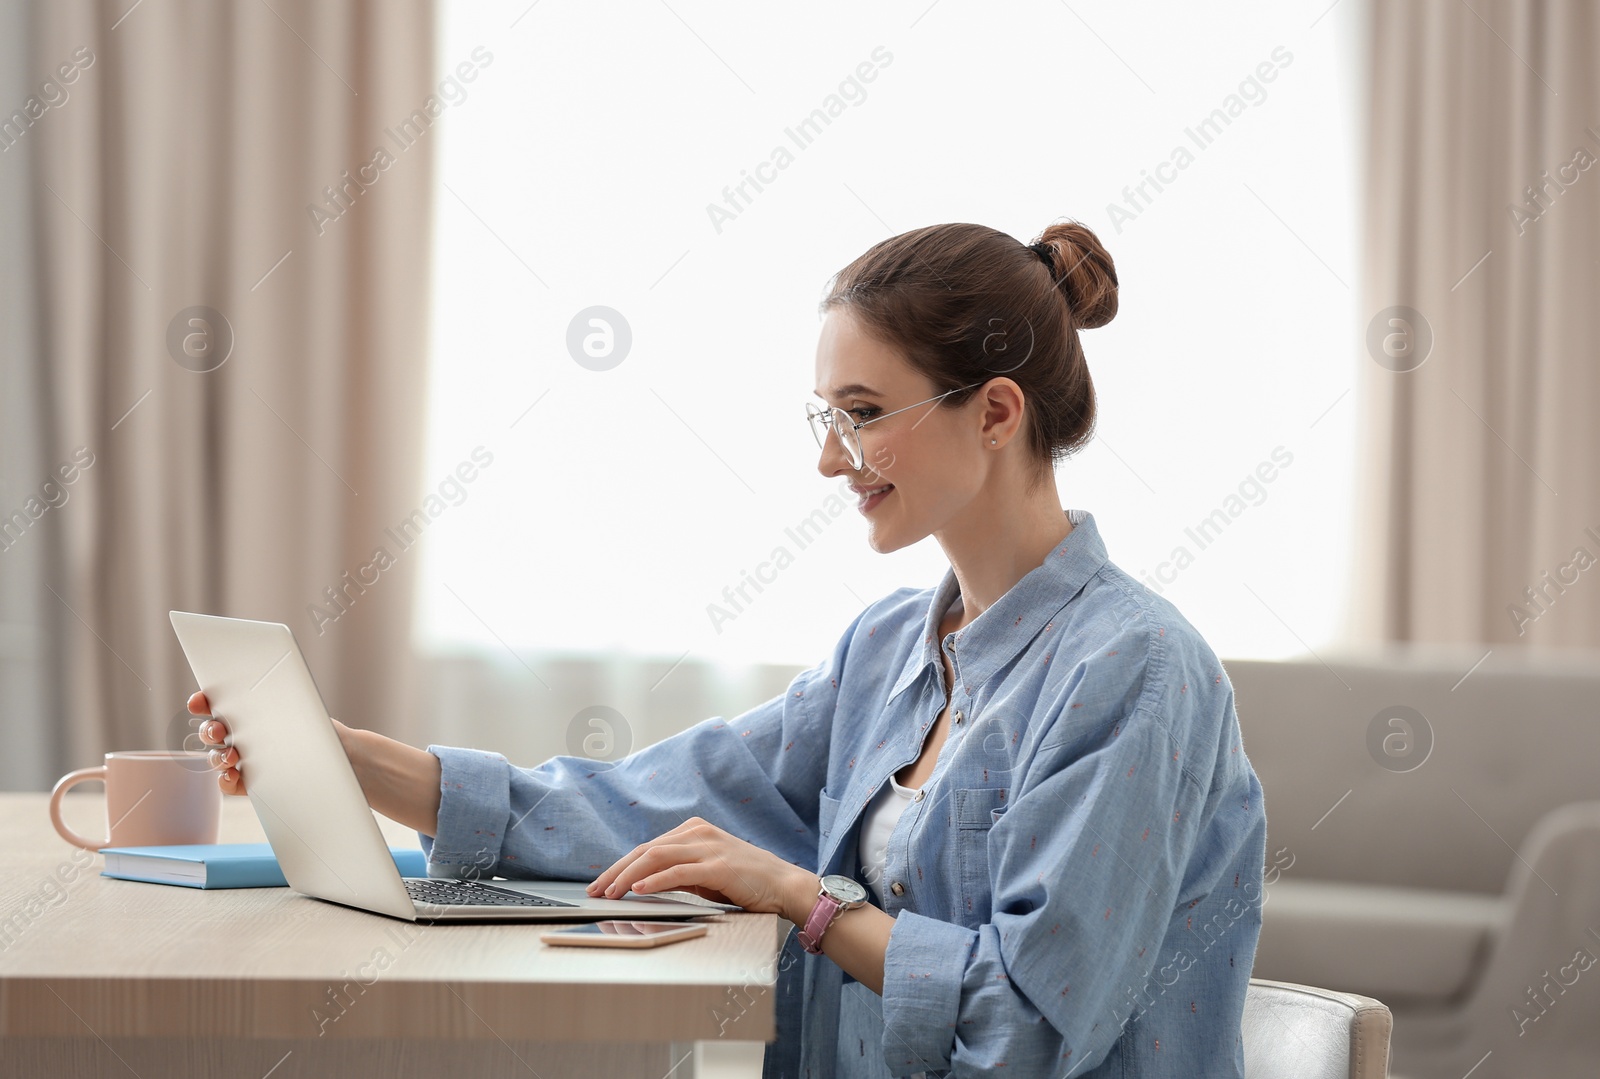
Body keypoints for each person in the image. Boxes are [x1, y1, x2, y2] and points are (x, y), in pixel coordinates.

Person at [192, 219, 1268, 1078]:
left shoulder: (1135, 669)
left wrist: (804, 895)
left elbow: (1030, 1026)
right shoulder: (890, 647)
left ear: (993, 411)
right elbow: (652, 805)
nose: (830, 461)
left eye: (861, 413)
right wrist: (361, 761)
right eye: (824, 417)